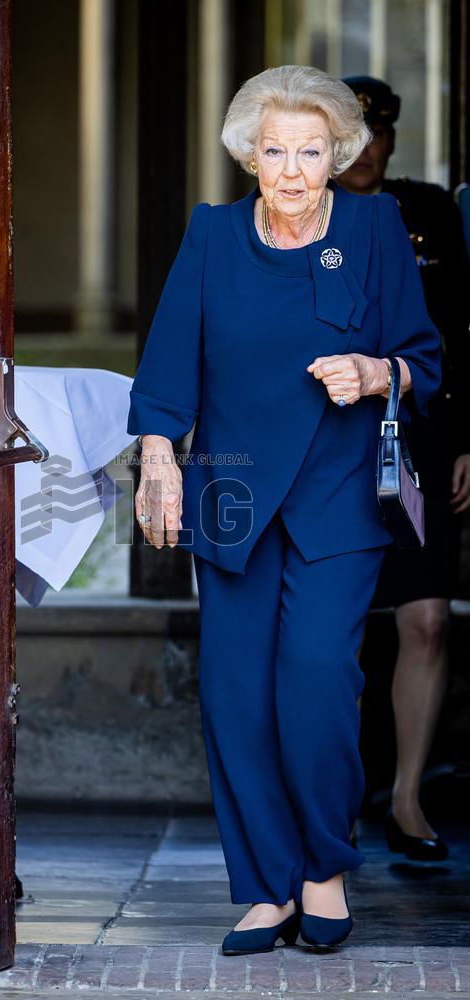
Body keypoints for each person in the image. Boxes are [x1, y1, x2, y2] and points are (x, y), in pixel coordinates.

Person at [126, 65, 441, 955]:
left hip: (337, 490)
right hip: (229, 488)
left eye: (311, 150)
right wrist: (159, 455)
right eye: (276, 150)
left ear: (338, 154)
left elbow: (425, 356)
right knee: (234, 696)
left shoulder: (376, 229)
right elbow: (170, 357)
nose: (294, 169)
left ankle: (323, 868)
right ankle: (265, 886)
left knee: (315, 685)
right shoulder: (215, 235)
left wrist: (381, 372)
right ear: (248, 156)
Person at [338, 76, 470, 861]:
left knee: (425, 617)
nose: (370, 145)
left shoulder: (426, 212)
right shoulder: (299, 209)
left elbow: (460, 327)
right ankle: (336, 793)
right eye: (357, 130)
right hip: (334, 441)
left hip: (418, 440)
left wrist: (466, 439)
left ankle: (410, 799)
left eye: (381, 131)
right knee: (337, 622)